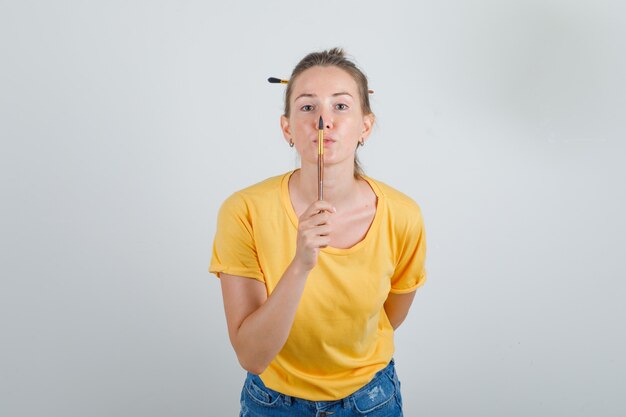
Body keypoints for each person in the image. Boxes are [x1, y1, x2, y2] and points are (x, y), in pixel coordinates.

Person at [209, 48, 427, 416]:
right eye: (308, 107)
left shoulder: (402, 215)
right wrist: (300, 265)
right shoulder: (243, 210)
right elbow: (252, 355)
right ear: (287, 128)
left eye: (341, 106)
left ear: (365, 126)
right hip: (273, 403)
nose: (324, 121)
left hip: (371, 400)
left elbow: (389, 317)